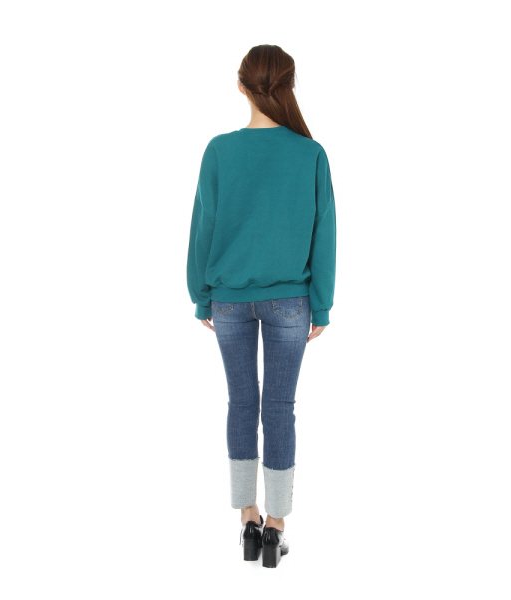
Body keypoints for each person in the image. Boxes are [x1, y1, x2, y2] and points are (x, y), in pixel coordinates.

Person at [186, 44, 336, 568]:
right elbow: (324, 233)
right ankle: (275, 526)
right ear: (289, 86)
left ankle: (247, 516)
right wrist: (321, 305)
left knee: (241, 404)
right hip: (291, 302)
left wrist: (200, 294)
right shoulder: (311, 154)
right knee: (279, 408)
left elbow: (203, 226)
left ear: (240, 85)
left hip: (228, 301)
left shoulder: (219, 151)